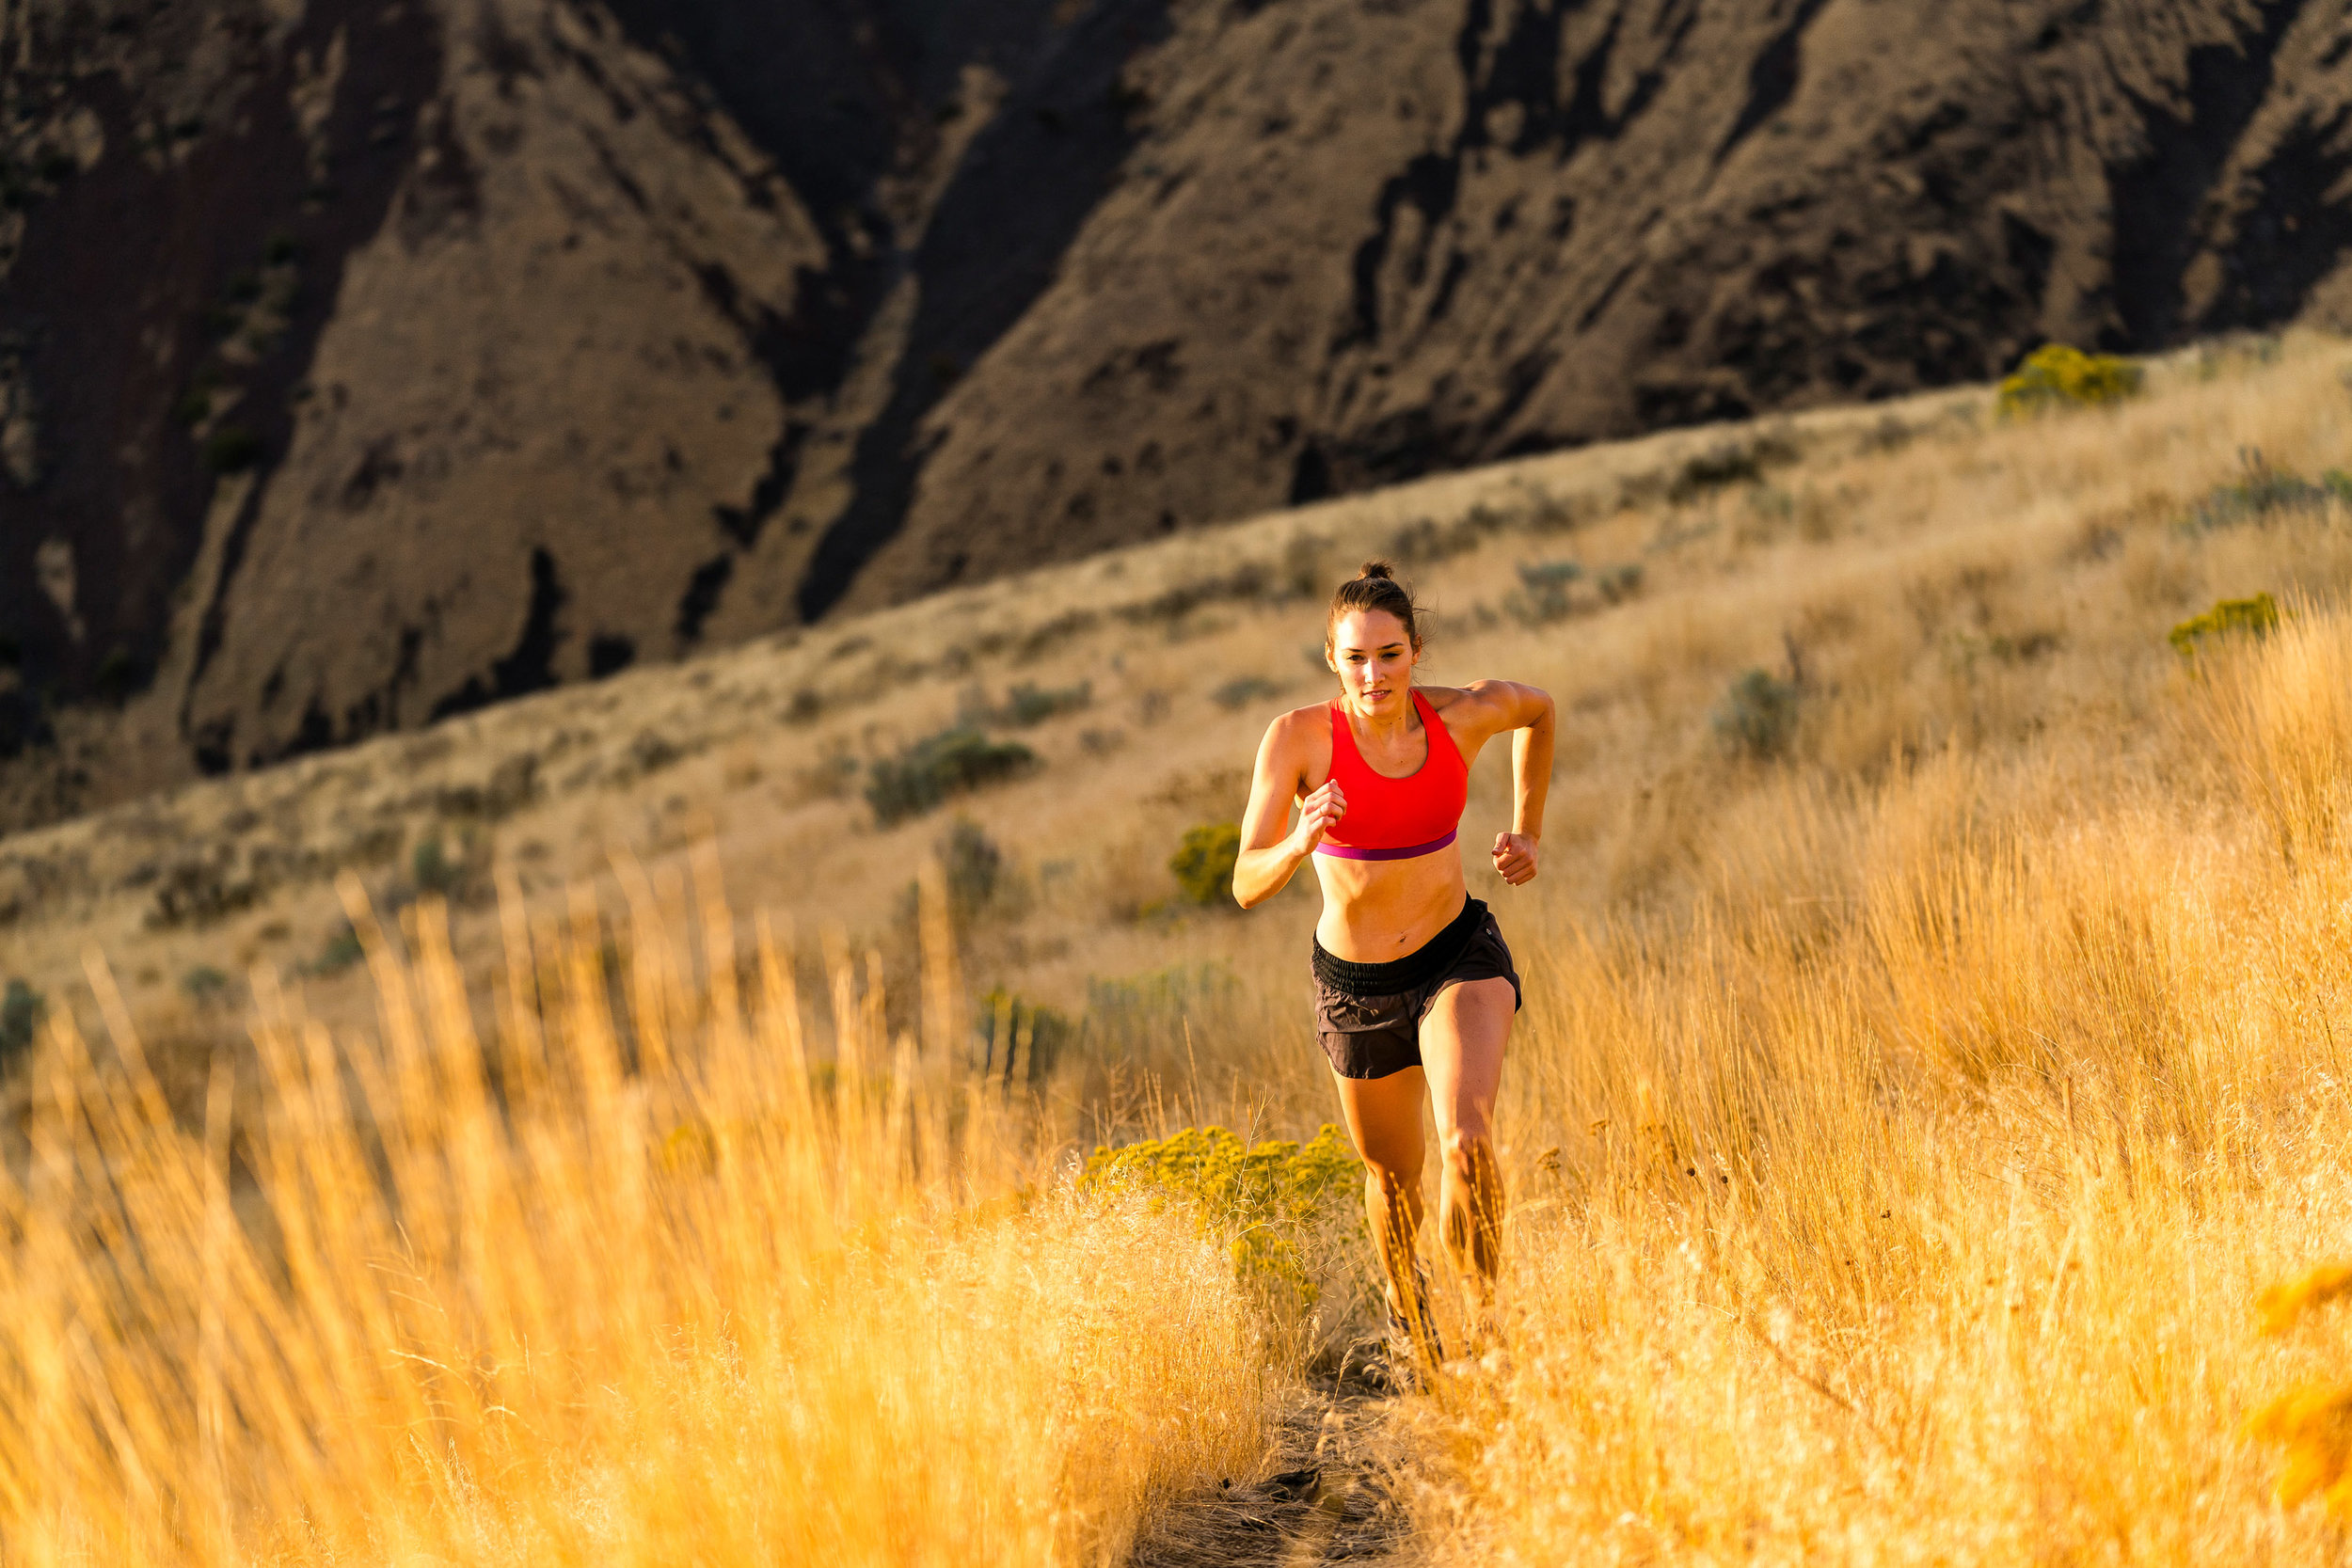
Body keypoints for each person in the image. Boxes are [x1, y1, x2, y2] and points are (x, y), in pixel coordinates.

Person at [1232, 560, 1553, 1368]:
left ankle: (1487, 1338)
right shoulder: (1299, 739)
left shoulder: (1462, 717)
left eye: (1391, 654)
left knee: (1469, 1142)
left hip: (1457, 955)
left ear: (1416, 652)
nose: (1373, 675)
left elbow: (1539, 711)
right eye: (1355, 658)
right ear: (1332, 659)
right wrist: (1299, 840)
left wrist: (1527, 829)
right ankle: (1412, 1321)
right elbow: (1243, 881)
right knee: (1394, 1180)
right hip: (1359, 987)